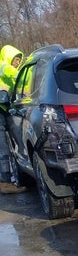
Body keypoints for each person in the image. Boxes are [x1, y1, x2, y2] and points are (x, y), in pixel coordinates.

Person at [0, 44, 26, 194]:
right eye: (16, 60)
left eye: (19, 60)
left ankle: (15, 177)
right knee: (2, 148)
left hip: (4, 109)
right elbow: (13, 73)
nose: (17, 63)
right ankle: (4, 181)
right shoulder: (3, 66)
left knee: (12, 145)